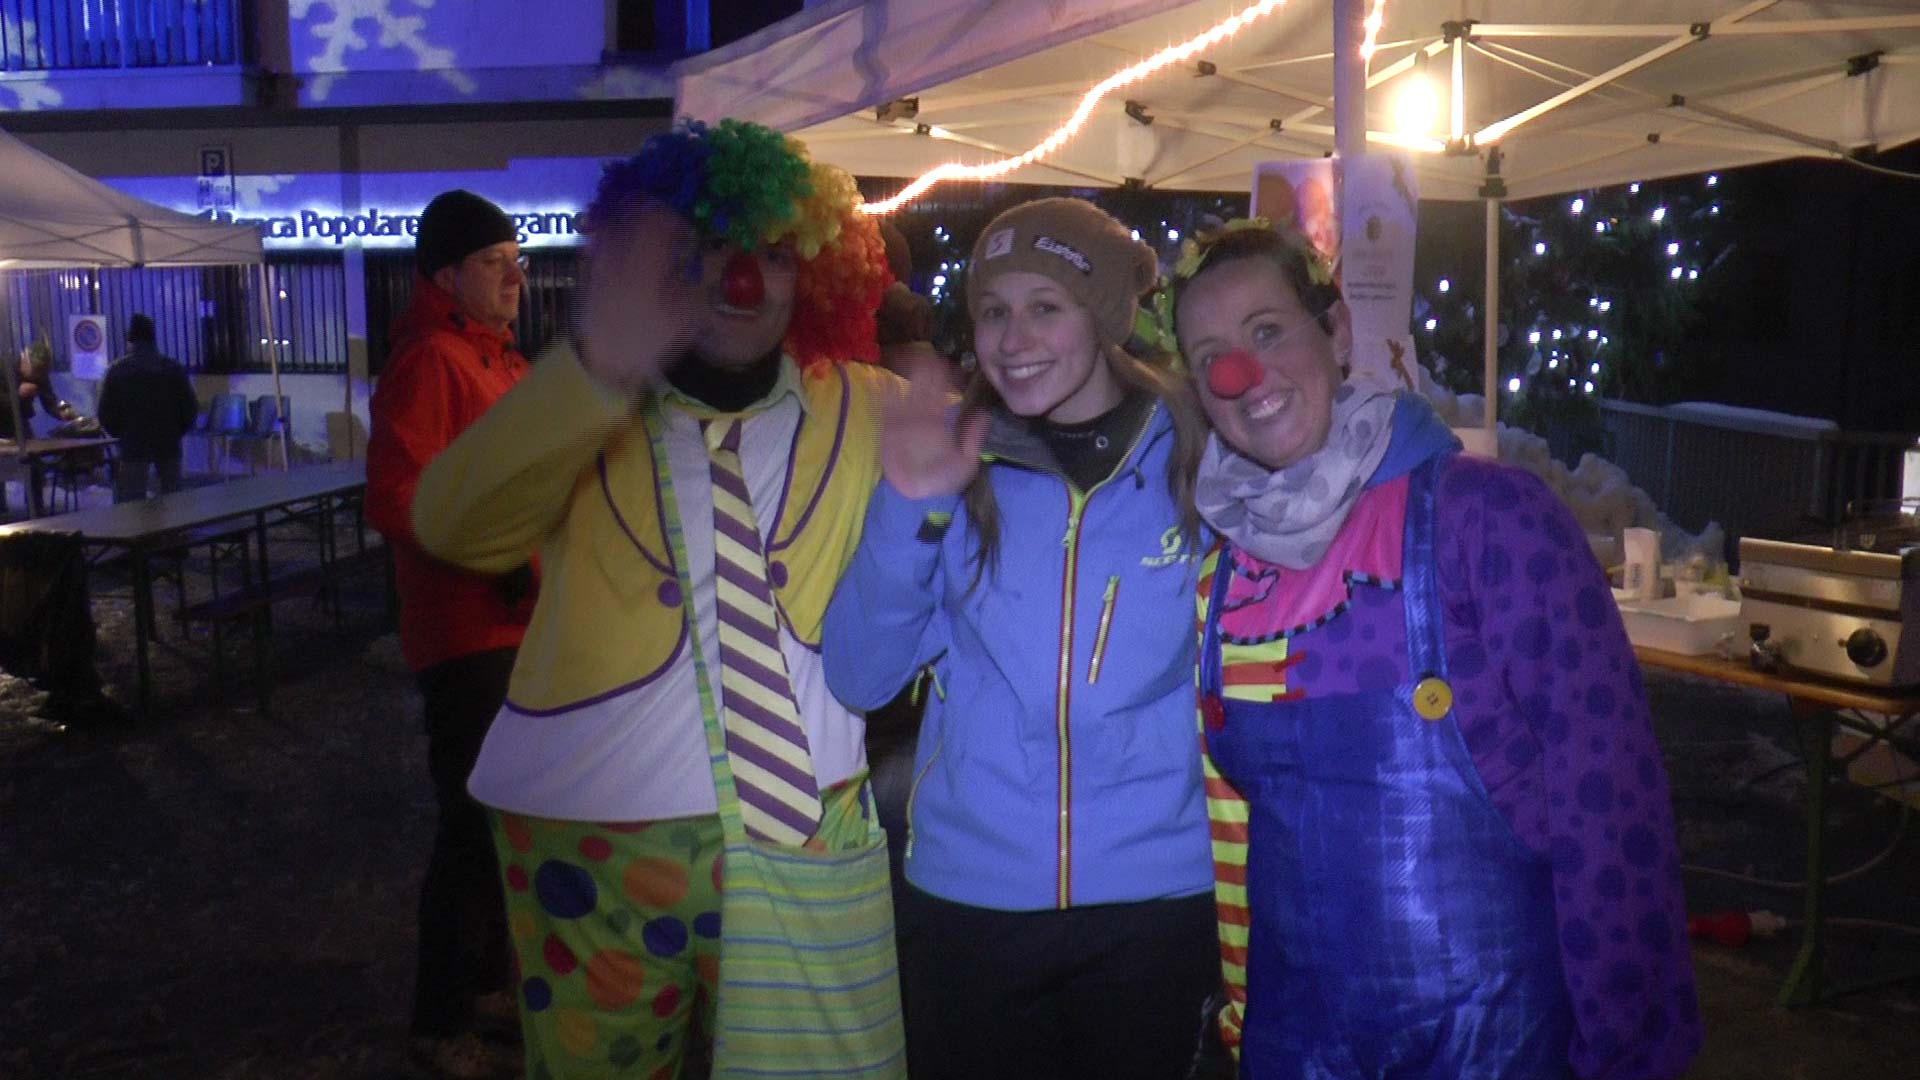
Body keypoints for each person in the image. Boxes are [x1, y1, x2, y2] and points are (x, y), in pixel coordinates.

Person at [408, 120, 904, 1079]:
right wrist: (599, 368)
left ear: (814, 274)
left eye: (772, 253)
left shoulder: (869, 405)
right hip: (590, 843)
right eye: (709, 246)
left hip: (805, 828)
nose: (742, 279)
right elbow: (451, 523)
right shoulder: (573, 400)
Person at [1169, 218, 1702, 1078]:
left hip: (1496, 1047)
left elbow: (1609, 802)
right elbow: (1234, 841)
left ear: (1338, 331)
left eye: (1267, 331)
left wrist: (1625, 1048)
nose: (1242, 374)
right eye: (1210, 358)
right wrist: (1243, 1023)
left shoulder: (1490, 520)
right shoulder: (1224, 574)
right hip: (1296, 1048)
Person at [821, 197, 1217, 1080]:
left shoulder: (1198, 457)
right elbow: (858, 675)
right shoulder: (953, 460)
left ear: (1105, 316)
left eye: (1046, 306)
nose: (1013, 338)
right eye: (993, 311)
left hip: (1159, 900)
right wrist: (911, 505)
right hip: (972, 899)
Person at [365, 188, 535, 1080]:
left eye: (517, 261)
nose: (515, 277)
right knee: (470, 826)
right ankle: (438, 1020)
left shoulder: (500, 359)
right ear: (444, 276)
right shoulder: (434, 360)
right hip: (466, 632)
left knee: (505, 817)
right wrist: (490, 556)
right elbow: (398, 495)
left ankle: (482, 985)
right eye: (492, 262)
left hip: (515, 623)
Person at [98, 314, 199, 503]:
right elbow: (189, 408)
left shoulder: (118, 371)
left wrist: (121, 434)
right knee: (173, 499)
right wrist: (176, 431)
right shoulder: (173, 368)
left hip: (133, 442)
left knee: (133, 500)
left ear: (130, 340)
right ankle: (174, 523)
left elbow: (106, 412)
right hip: (168, 440)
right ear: (153, 339)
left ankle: (139, 524)